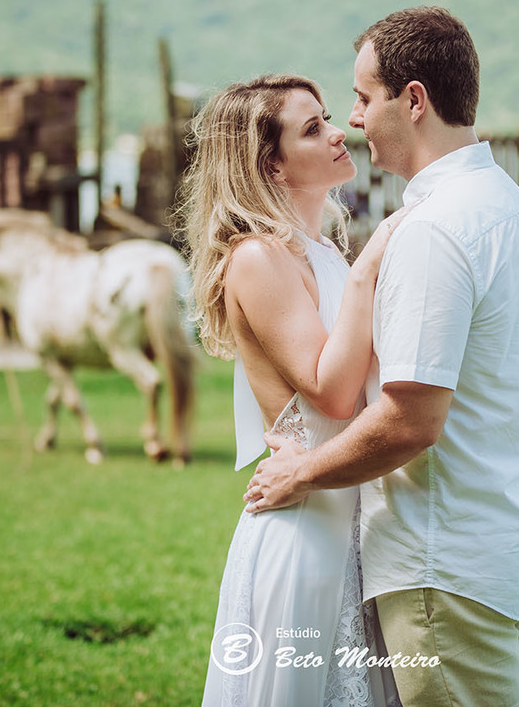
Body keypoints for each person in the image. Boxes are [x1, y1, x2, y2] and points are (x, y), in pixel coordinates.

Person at [244, 6, 519, 707]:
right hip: (497, 537)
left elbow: (410, 419)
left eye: (362, 98)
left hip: (441, 557)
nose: (352, 120)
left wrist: (302, 471)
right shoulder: (508, 206)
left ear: (413, 100)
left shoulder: (434, 230)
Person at [179, 74, 404, 706]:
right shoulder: (257, 257)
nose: (340, 133)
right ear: (271, 164)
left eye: (328, 118)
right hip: (306, 529)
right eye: (313, 129)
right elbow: (332, 395)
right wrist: (369, 270)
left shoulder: (321, 252)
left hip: (352, 513)